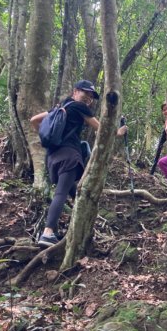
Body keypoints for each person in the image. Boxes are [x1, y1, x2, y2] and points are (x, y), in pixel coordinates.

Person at [30, 80, 127, 247]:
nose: (88, 98)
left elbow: (34, 120)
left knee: (77, 193)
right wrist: (119, 132)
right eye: (86, 93)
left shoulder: (60, 107)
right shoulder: (78, 106)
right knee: (61, 194)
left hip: (53, 159)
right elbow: (101, 128)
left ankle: (80, 231)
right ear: (75, 91)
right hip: (70, 155)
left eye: (91, 96)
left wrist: (52, 136)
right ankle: (47, 233)